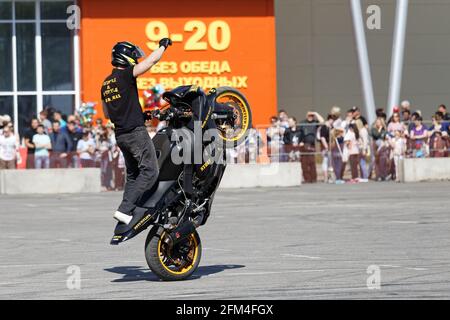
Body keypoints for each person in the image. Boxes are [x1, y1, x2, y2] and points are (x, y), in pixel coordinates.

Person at [101, 39, 171, 225]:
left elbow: (108, 112)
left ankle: (126, 211)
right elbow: (150, 62)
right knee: (150, 171)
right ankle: (125, 208)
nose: (136, 59)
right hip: (135, 133)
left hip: (121, 135)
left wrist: (138, 114)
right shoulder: (125, 76)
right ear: (125, 58)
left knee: (133, 174)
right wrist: (163, 46)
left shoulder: (106, 83)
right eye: (133, 56)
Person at [299, 111, 323, 183]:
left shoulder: (315, 122)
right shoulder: (302, 123)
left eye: (312, 116)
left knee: (312, 162)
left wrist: (316, 113)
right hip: (304, 144)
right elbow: (299, 133)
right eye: (309, 115)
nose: (310, 117)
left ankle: (313, 178)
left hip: (312, 144)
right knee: (304, 163)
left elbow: (322, 121)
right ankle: (307, 179)